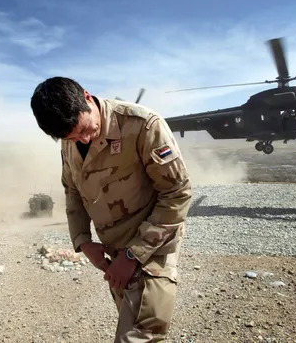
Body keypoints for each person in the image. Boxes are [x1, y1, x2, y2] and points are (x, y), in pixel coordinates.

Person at [30, 76, 192, 342]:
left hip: (152, 243)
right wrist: (83, 241)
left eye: (85, 129)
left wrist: (132, 254)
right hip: (114, 250)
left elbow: (177, 193)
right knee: (128, 318)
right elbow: (72, 190)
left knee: (138, 335)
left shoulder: (143, 125)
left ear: (86, 97)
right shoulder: (69, 138)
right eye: (72, 137)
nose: (83, 139)